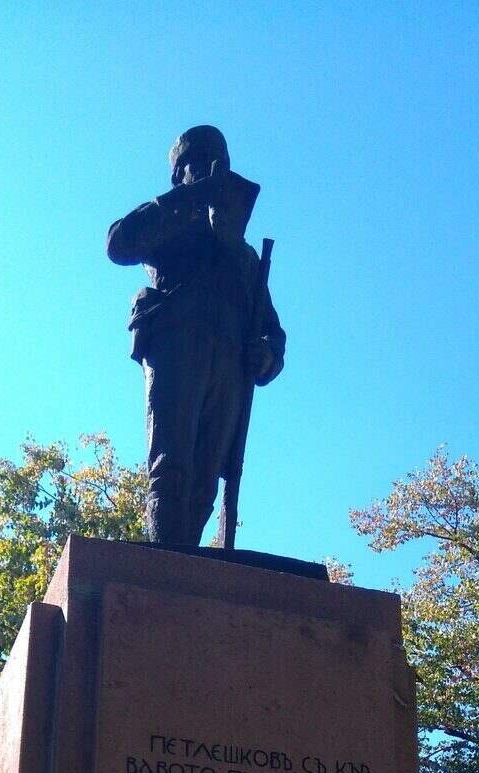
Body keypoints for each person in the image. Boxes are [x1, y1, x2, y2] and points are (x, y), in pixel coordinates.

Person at [107, 126, 285, 548]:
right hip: (177, 347)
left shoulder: (243, 256)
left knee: (205, 480)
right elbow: (119, 243)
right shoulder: (169, 224)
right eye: (201, 161)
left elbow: (273, 331)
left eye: (219, 162)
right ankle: (164, 565)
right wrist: (191, 197)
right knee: (170, 466)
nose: (212, 169)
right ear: (179, 173)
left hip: (229, 368)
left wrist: (266, 355)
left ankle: (184, 564)